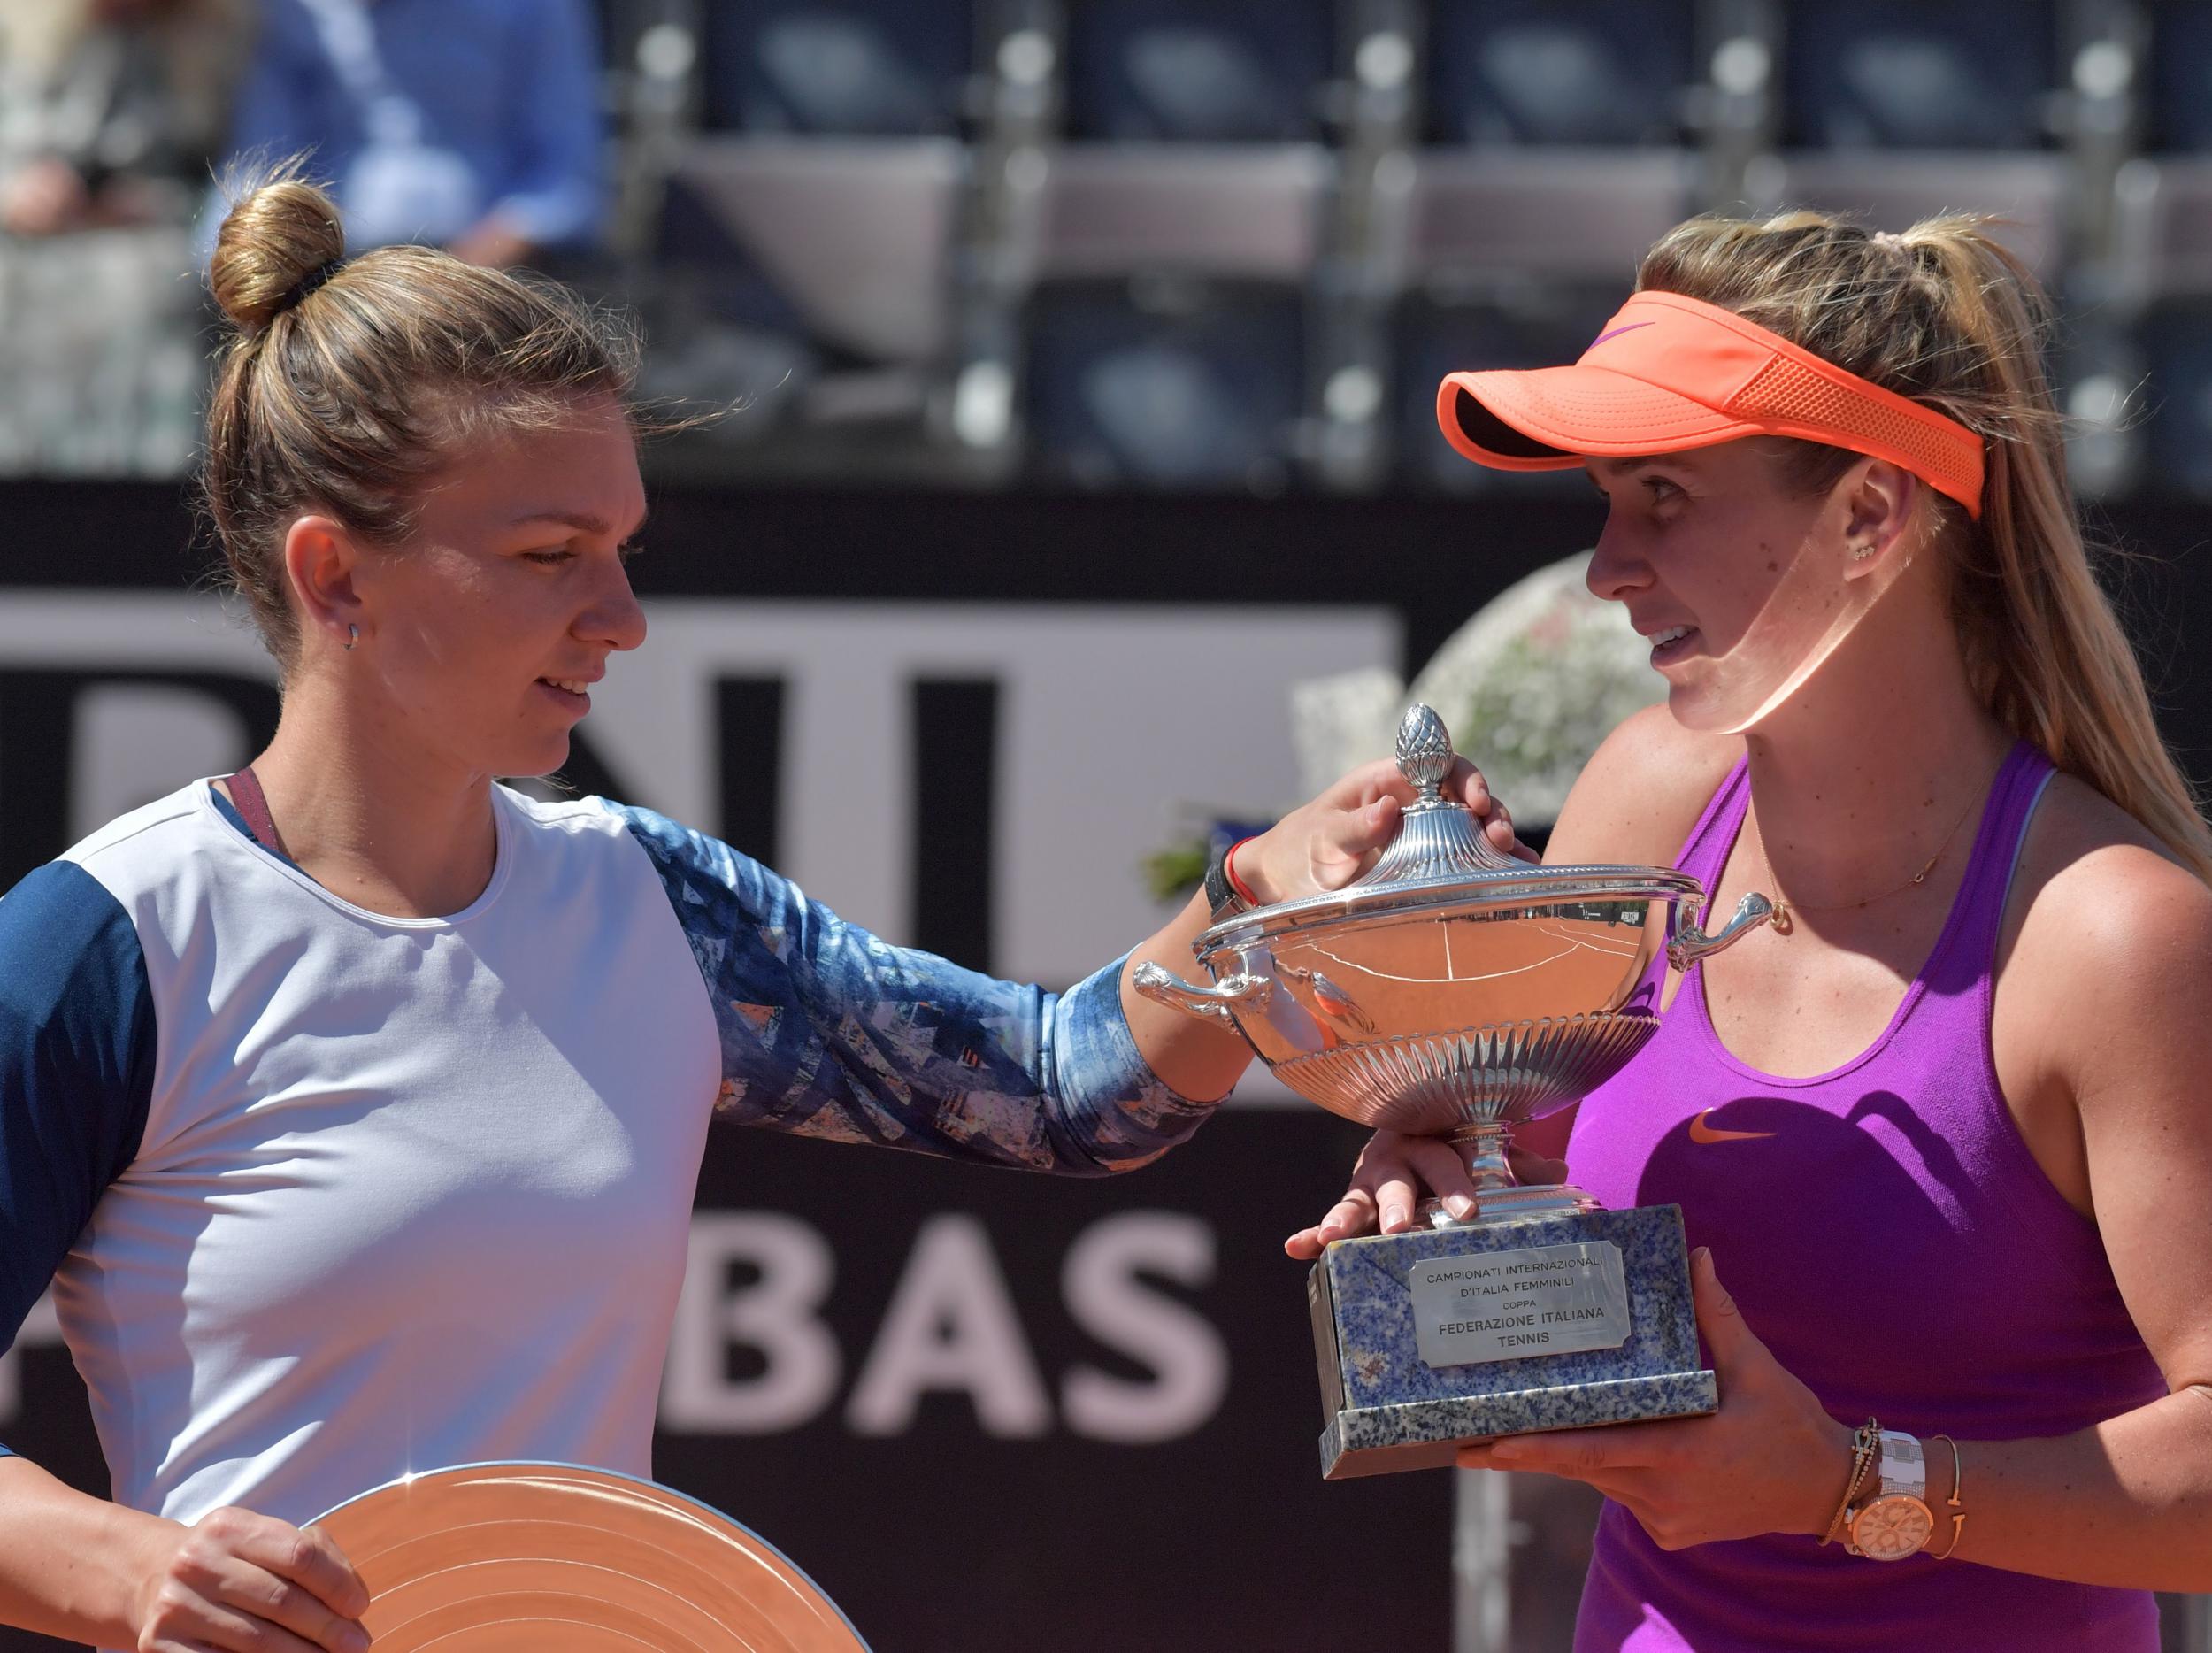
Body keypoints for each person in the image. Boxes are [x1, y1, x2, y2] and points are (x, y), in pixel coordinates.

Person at [0, 168, 1517, 1653]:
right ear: (334, 575)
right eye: (549, 556)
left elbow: (1063, 1091)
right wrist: (134, 1571)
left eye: (622, 548)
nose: (622, 616)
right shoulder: (106, 945)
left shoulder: (654, 901)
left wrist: (1256, 898)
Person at [1289, 211, 2212, 1649]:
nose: (1607, 566)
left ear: (1869, 514)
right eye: (1609, 500)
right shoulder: (1644, 792)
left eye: (1662, 496)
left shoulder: (2115, 936)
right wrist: (1446, 1176)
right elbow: (1542, 1188)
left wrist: (1857, 1483)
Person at [216, 0, 603, 267]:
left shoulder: (528, 9)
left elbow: (566, 173)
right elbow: (260, 165)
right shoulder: (296, 17)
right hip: (335, 273)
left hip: (495, 272)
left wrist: (458, 275)